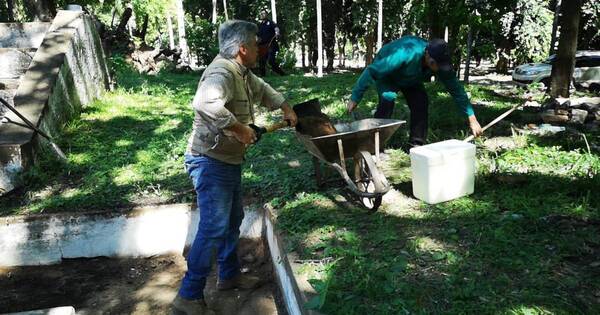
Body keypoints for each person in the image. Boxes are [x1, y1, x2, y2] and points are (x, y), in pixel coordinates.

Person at [171, 20, 298, 315]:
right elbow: (205, 103)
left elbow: (263, 89)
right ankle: (187, 297)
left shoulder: (241, 71)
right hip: (210, 161)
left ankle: (228, 276)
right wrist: (240, 128)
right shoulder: (221, 72)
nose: (259, 48)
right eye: (255, 44)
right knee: (214, 226)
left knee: (232, 220)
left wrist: (285, 106)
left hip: (227, 160)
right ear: (242, 48)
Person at [346, 36, 483, 150]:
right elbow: (372, 71)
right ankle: (374, 146)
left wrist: (472, 118)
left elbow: (456, 90)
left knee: (421, 102)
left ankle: (416, 145)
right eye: (436, 64)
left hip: (411, 77)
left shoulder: (439, 63)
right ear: (427, 54)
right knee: (387, 102)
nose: (438, 69)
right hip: (388, 75)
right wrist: (355, 97)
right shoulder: (405, 53)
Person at [257, 9, 285, 76]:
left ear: (266, 15)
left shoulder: (270, 22)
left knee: (271, 61)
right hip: (262, 46)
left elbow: (276, 28)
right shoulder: (260, 25)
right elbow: (257, 36)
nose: (262, 15)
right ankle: (262, 76)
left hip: (271, 44)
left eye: (263, 13)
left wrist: (277, 33)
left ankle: (282, 73)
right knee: (261, 61)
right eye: (261, 14)